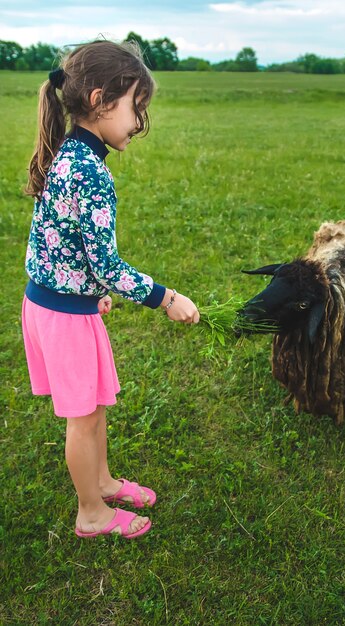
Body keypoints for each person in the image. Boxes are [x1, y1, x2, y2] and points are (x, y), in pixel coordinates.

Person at [22, 40, 200, 540]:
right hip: (63, 316)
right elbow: (106, 262)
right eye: (135, 108)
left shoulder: (71, 154)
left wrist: (85, 289)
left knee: (96, 405)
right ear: (101, 101)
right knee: (81, 419)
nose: (139, 123)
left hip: (59, 303)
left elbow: (54, 240)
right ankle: (91, 512)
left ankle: (101, 481)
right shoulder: (89, 170)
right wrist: (167, 297)